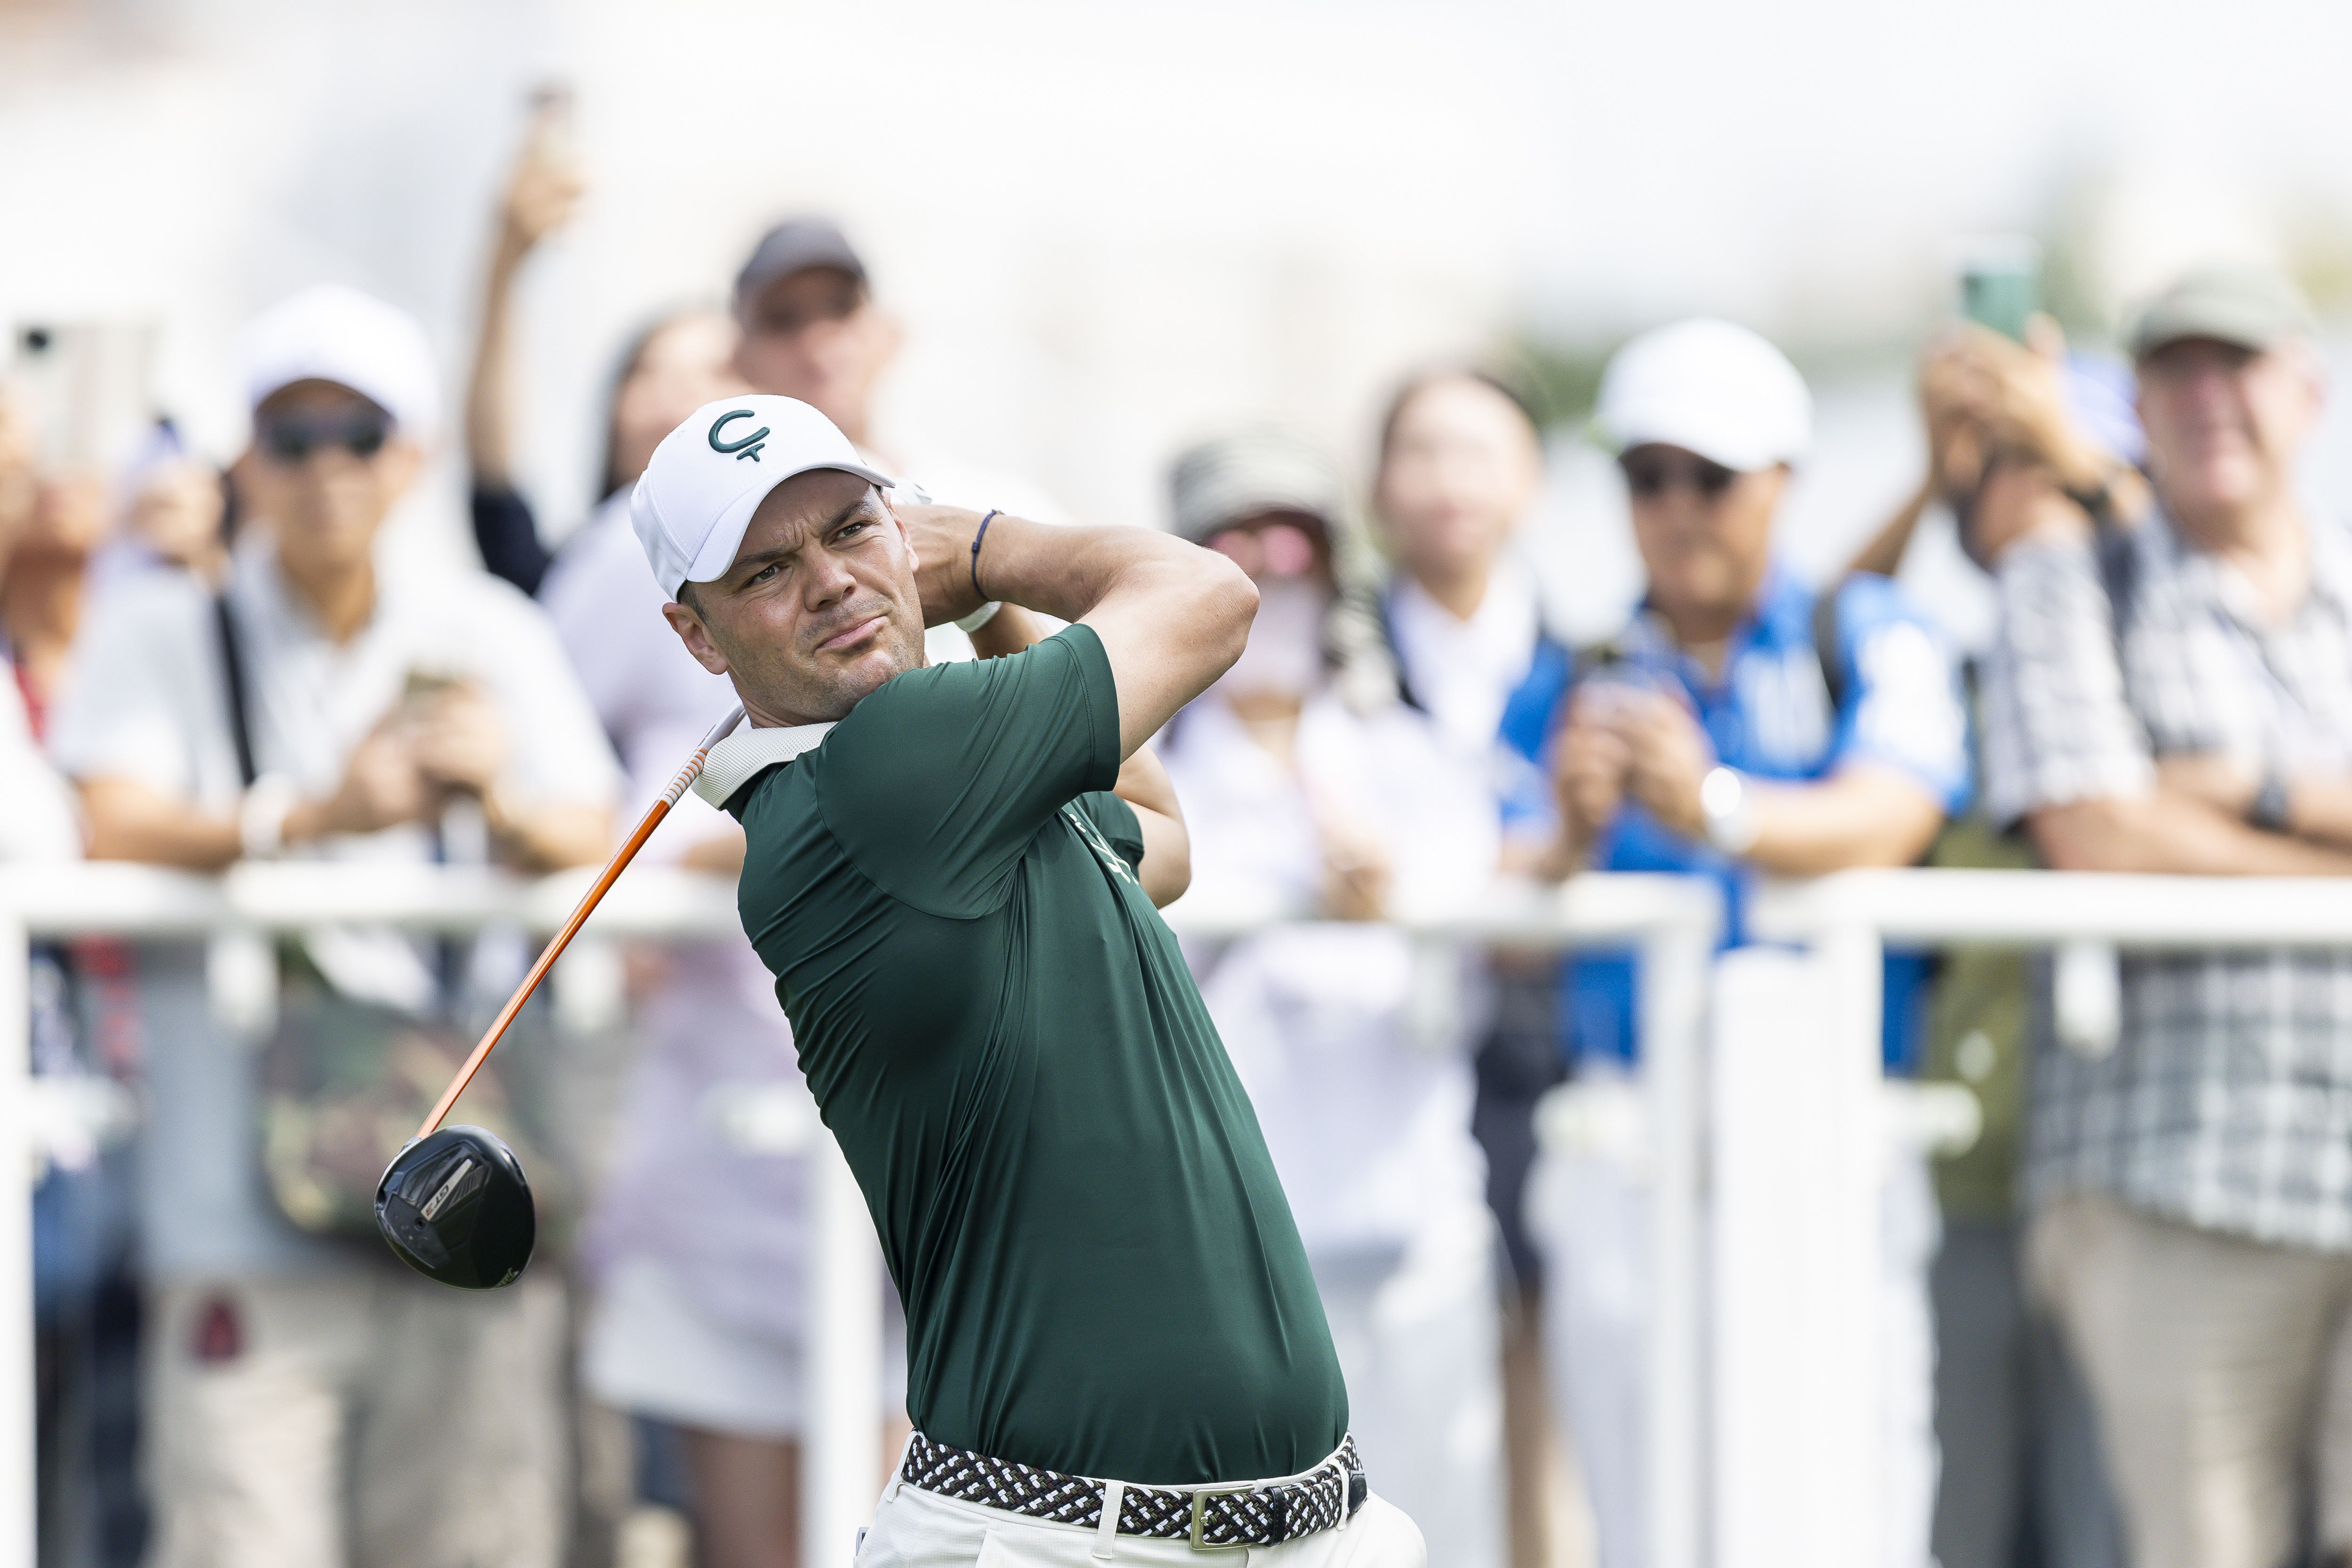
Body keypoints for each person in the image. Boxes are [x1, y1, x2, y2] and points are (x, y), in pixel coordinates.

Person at [632, 393, 1425, 1568]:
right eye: (764, 571)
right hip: (1056, 1541)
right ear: (697, 635)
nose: (834, 581)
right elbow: (1212, 598)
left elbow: (1161, 839)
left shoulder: (935, 784)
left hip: (1279, 1529)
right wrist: (994, 550)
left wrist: (993, 611)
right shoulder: (895, 763)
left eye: (852, 528)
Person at [46, 284, 620, 1568]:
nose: (322, 469)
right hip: (233, 1222)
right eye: (290, 436)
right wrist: (315, 815)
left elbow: (599, 830)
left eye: (356, 434)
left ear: (409, 457)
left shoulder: (487, 631)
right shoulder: (161, 624)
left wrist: (504, 802)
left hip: (457, 1209)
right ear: (247, 457)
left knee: (471, 1544)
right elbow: (107, 820)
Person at [1518, 319, 1970, 1568]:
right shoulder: (1570, 665)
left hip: (1832, 1131)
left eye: (1708, 477)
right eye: (1646, 476)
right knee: (1646, 1525)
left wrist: (1713, 804)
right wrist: (1565, 831)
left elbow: (1899, 805)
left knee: (1856, 1516)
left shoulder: (1867, 629)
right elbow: (1491, 872)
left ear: (1783, 480)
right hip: (1628, 1137)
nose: (1675, 508)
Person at [1981, 263, 2352, 1568]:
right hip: (2178, 1178)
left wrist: (2249, 787)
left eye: (2237, 364)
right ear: (2132, 401)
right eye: (2176, 370)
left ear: (2306, 391)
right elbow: (2094, 824)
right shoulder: (2068, 572)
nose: (2209, 397)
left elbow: (2147, 817)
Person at [1156, 430, 1501, 1568]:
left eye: (1292, 544)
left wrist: (1394, 898)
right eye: (1235, 546)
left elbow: (1463, 989)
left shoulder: (1411, 758)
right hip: (1224, 1281)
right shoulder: (1140, 770)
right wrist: (1284, 892)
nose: (1269, 575)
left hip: (1413, 1251)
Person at [1844, 324, 2134, 1568]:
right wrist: (1933, 465)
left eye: (2040, 458)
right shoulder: (1940, 685)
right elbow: (1821, 621)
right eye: (1993, 464)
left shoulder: (2159, 673)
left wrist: (2077, 467)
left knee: (2106, 1518)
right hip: (1971, 1176)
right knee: (1965, 1519)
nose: (2010, 485)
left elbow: (2166, 573)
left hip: (2131, 1175)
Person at [1368, 370, 1569, 1568]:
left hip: (1539, 1057)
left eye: (1477, 451)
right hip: (1381, 1063)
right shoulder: (1322, 651)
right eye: (1422, 450)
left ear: (1530, 478)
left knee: (1541, 1390)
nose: (1450, 481)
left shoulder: (1589, 655)